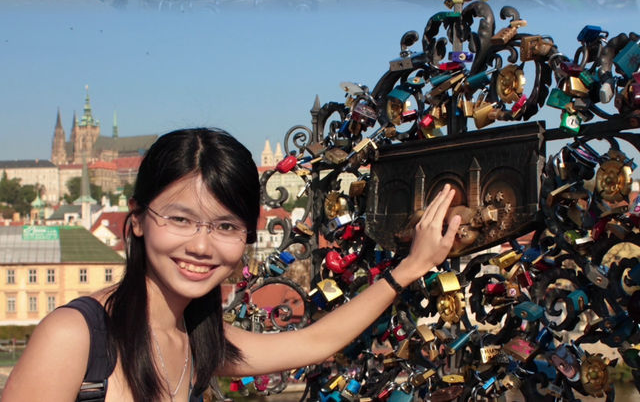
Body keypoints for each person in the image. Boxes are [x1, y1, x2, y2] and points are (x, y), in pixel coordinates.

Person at [3, 128, 460, 402]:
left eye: (225, 227)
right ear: (137, 219)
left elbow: (316, 342)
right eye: (180, 219)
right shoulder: (75, 336)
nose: (201, 247)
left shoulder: (198, 338)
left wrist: (410, 268)